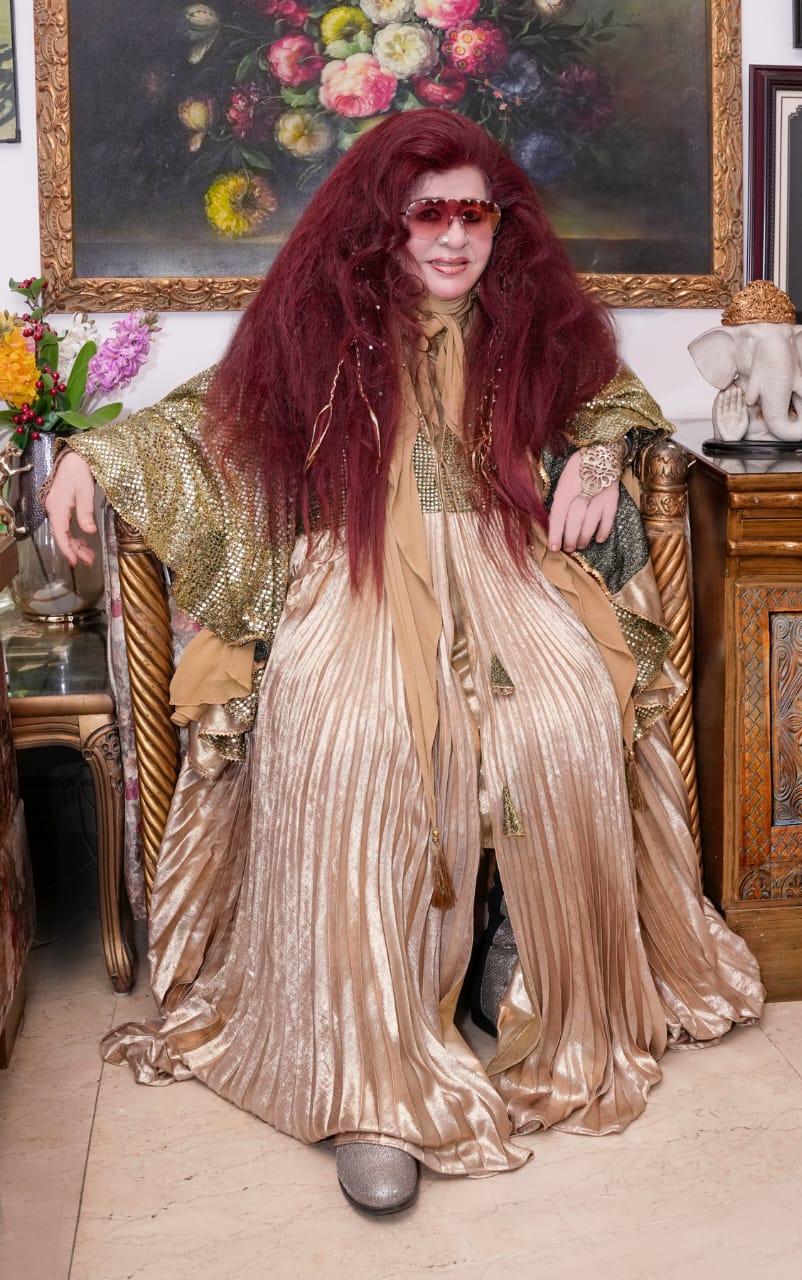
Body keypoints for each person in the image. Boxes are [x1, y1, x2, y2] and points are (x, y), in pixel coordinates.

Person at [46, 109, 764, 1216]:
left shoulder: (531, 321)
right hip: (355, 575)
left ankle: (517, 967)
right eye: (428, 214)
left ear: (499, 225)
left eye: (474, 213)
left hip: (505, 566)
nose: (453, 236)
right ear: (385, 224)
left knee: (564, 714)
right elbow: (205, 414)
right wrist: (89, 457)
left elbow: (613, 398)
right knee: (357, 743)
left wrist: (598, 457)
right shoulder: (318, 325)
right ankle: (364, 1075)